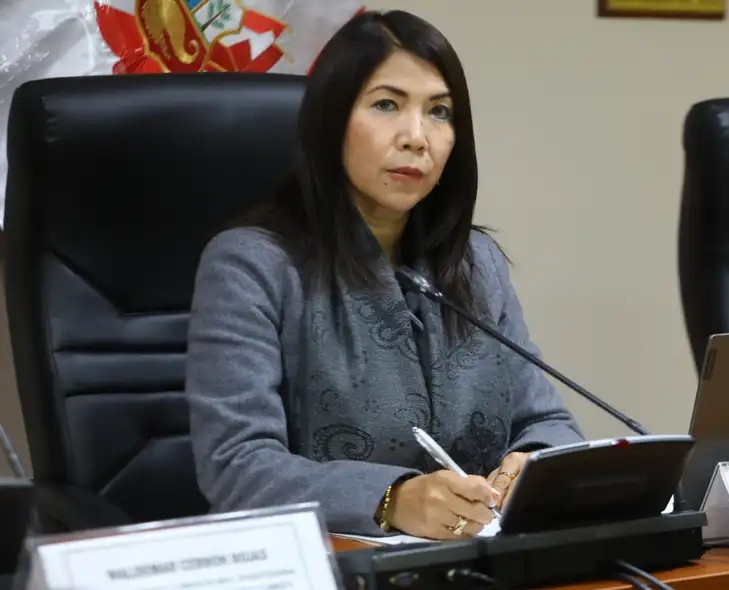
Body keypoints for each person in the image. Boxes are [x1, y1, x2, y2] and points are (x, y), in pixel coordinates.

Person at [185, 9, 584, 541]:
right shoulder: (252, 265)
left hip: (473, 563)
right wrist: (391, 499)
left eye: (439, 112)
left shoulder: (475, 262)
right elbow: (236, 467)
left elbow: (547, 423)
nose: (416, 137)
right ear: (331, 122)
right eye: (386, 105)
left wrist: (530, 464)